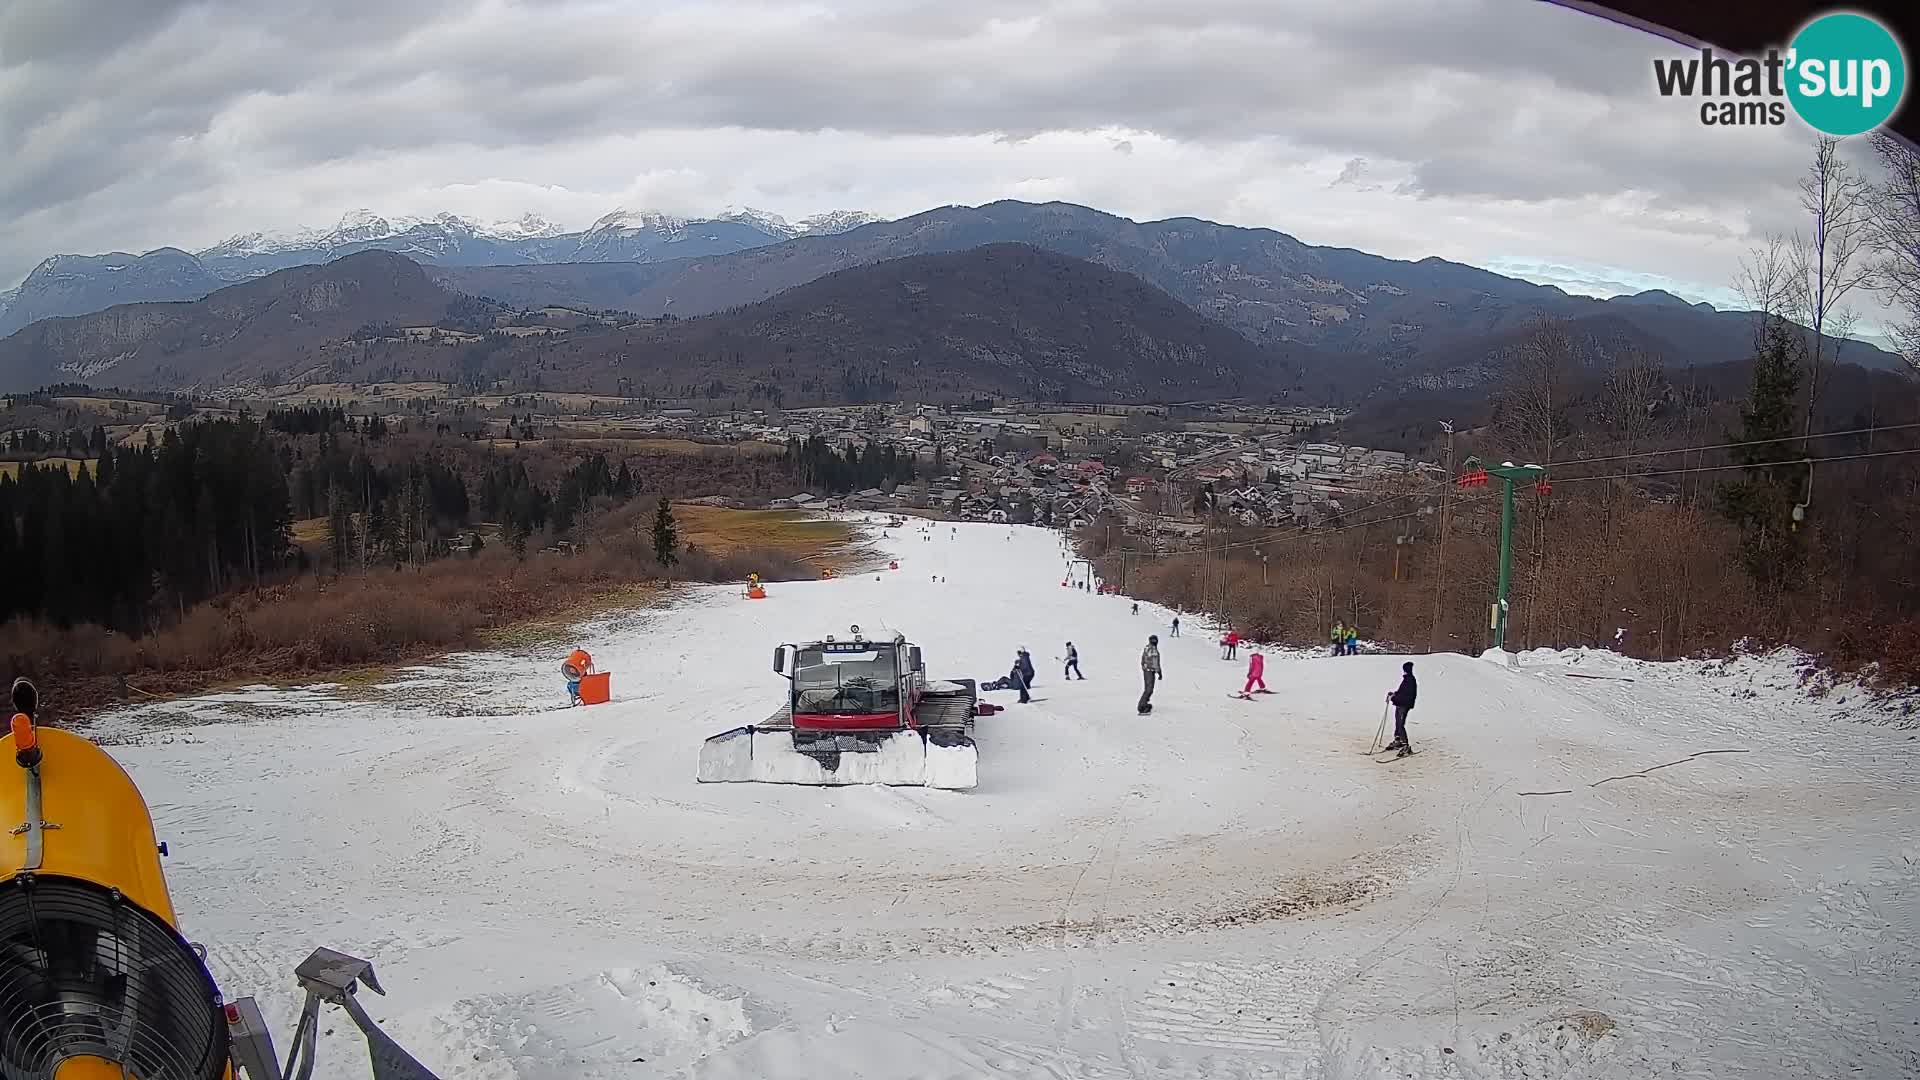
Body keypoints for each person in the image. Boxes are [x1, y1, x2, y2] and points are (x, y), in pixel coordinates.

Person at [1385, 661, 1417, 757]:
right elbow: (1401, 692)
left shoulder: (1410, 680)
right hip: (1400, 705)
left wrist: (1394, 698)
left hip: (1404, 705)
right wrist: (1394, 694)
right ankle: (1398, 740)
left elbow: (1406, 696)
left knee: (1400, 724)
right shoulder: (1407, 679)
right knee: (1398, 723)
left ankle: (1405, 745)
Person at [1138, 634, 1162, 714]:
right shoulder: (1153, 649)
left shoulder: (1147, 647)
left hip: (1147, 670)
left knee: (1148, 689)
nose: (1155, 642)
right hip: (1150, 671)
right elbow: (1155, 662)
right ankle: (1142, 706)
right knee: (1149, 689)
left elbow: (1143, 659)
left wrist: (1144, 667)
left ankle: (1144, 704)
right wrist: (1159, 672)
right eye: (1154, 640)